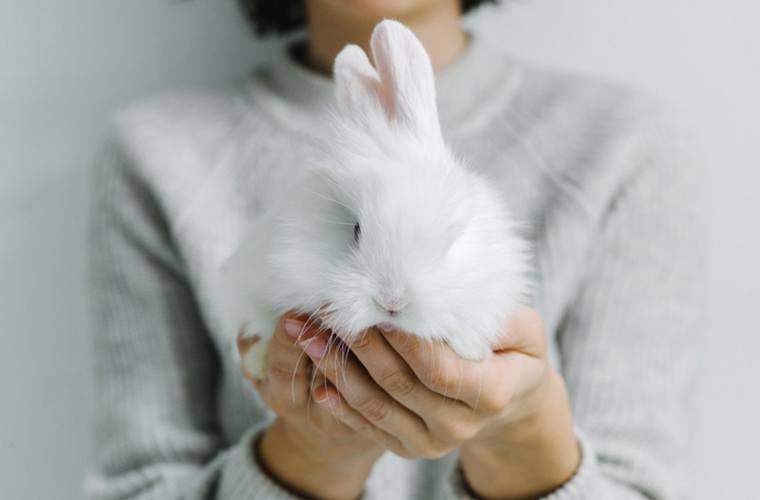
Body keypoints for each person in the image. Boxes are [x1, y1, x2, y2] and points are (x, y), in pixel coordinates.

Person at [86, 1, 705, 499]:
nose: (393, 295)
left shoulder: (628, 146)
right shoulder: (154, 153)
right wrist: (311, 450)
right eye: (356, 234)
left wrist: (521, 435)